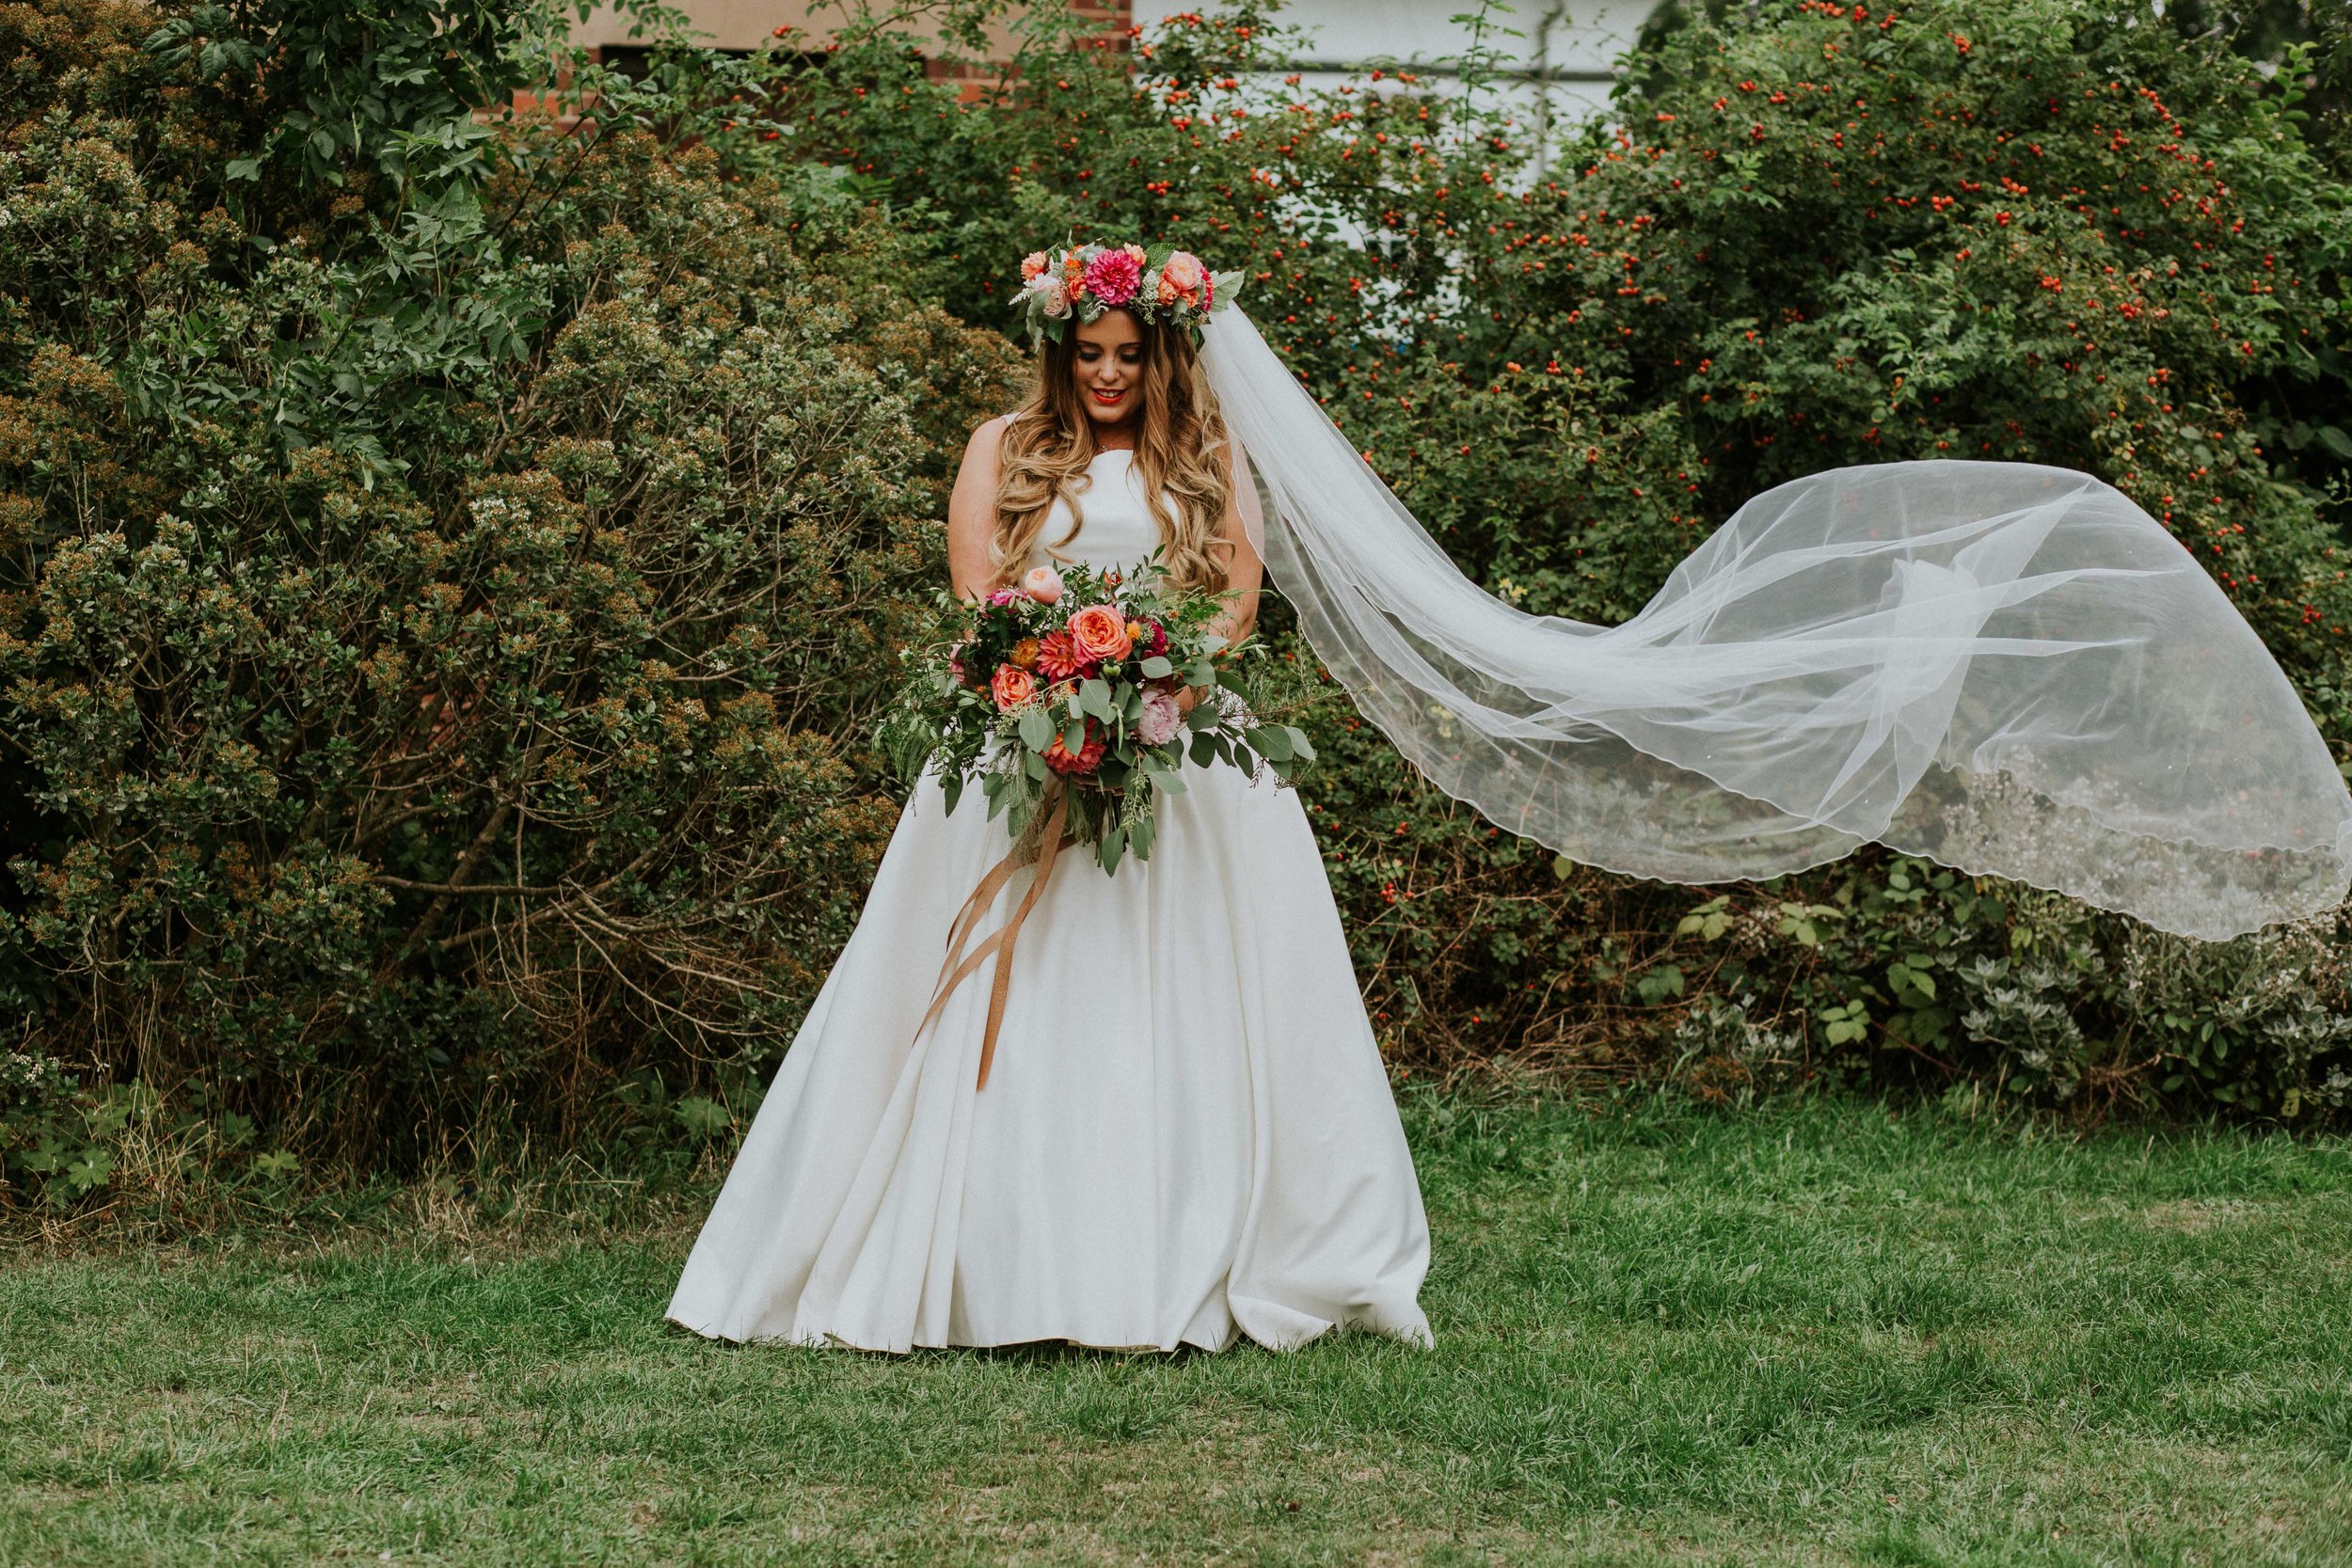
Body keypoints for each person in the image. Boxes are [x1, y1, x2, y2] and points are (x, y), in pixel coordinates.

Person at [665, 247, 1437, 1354]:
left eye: (1128, 355)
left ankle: (1186, 1248)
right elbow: (979, 588)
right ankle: (992, 1262)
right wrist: (1056, 675)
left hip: (1173, 752)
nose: (1108, 375)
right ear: (1059, 352)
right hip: (1020, 743)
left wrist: (1146, 679)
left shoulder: (1214, 451)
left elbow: (1232, 601)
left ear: (1164, 353)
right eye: (1088, 355)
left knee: (1176, 986)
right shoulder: (1004, 447)